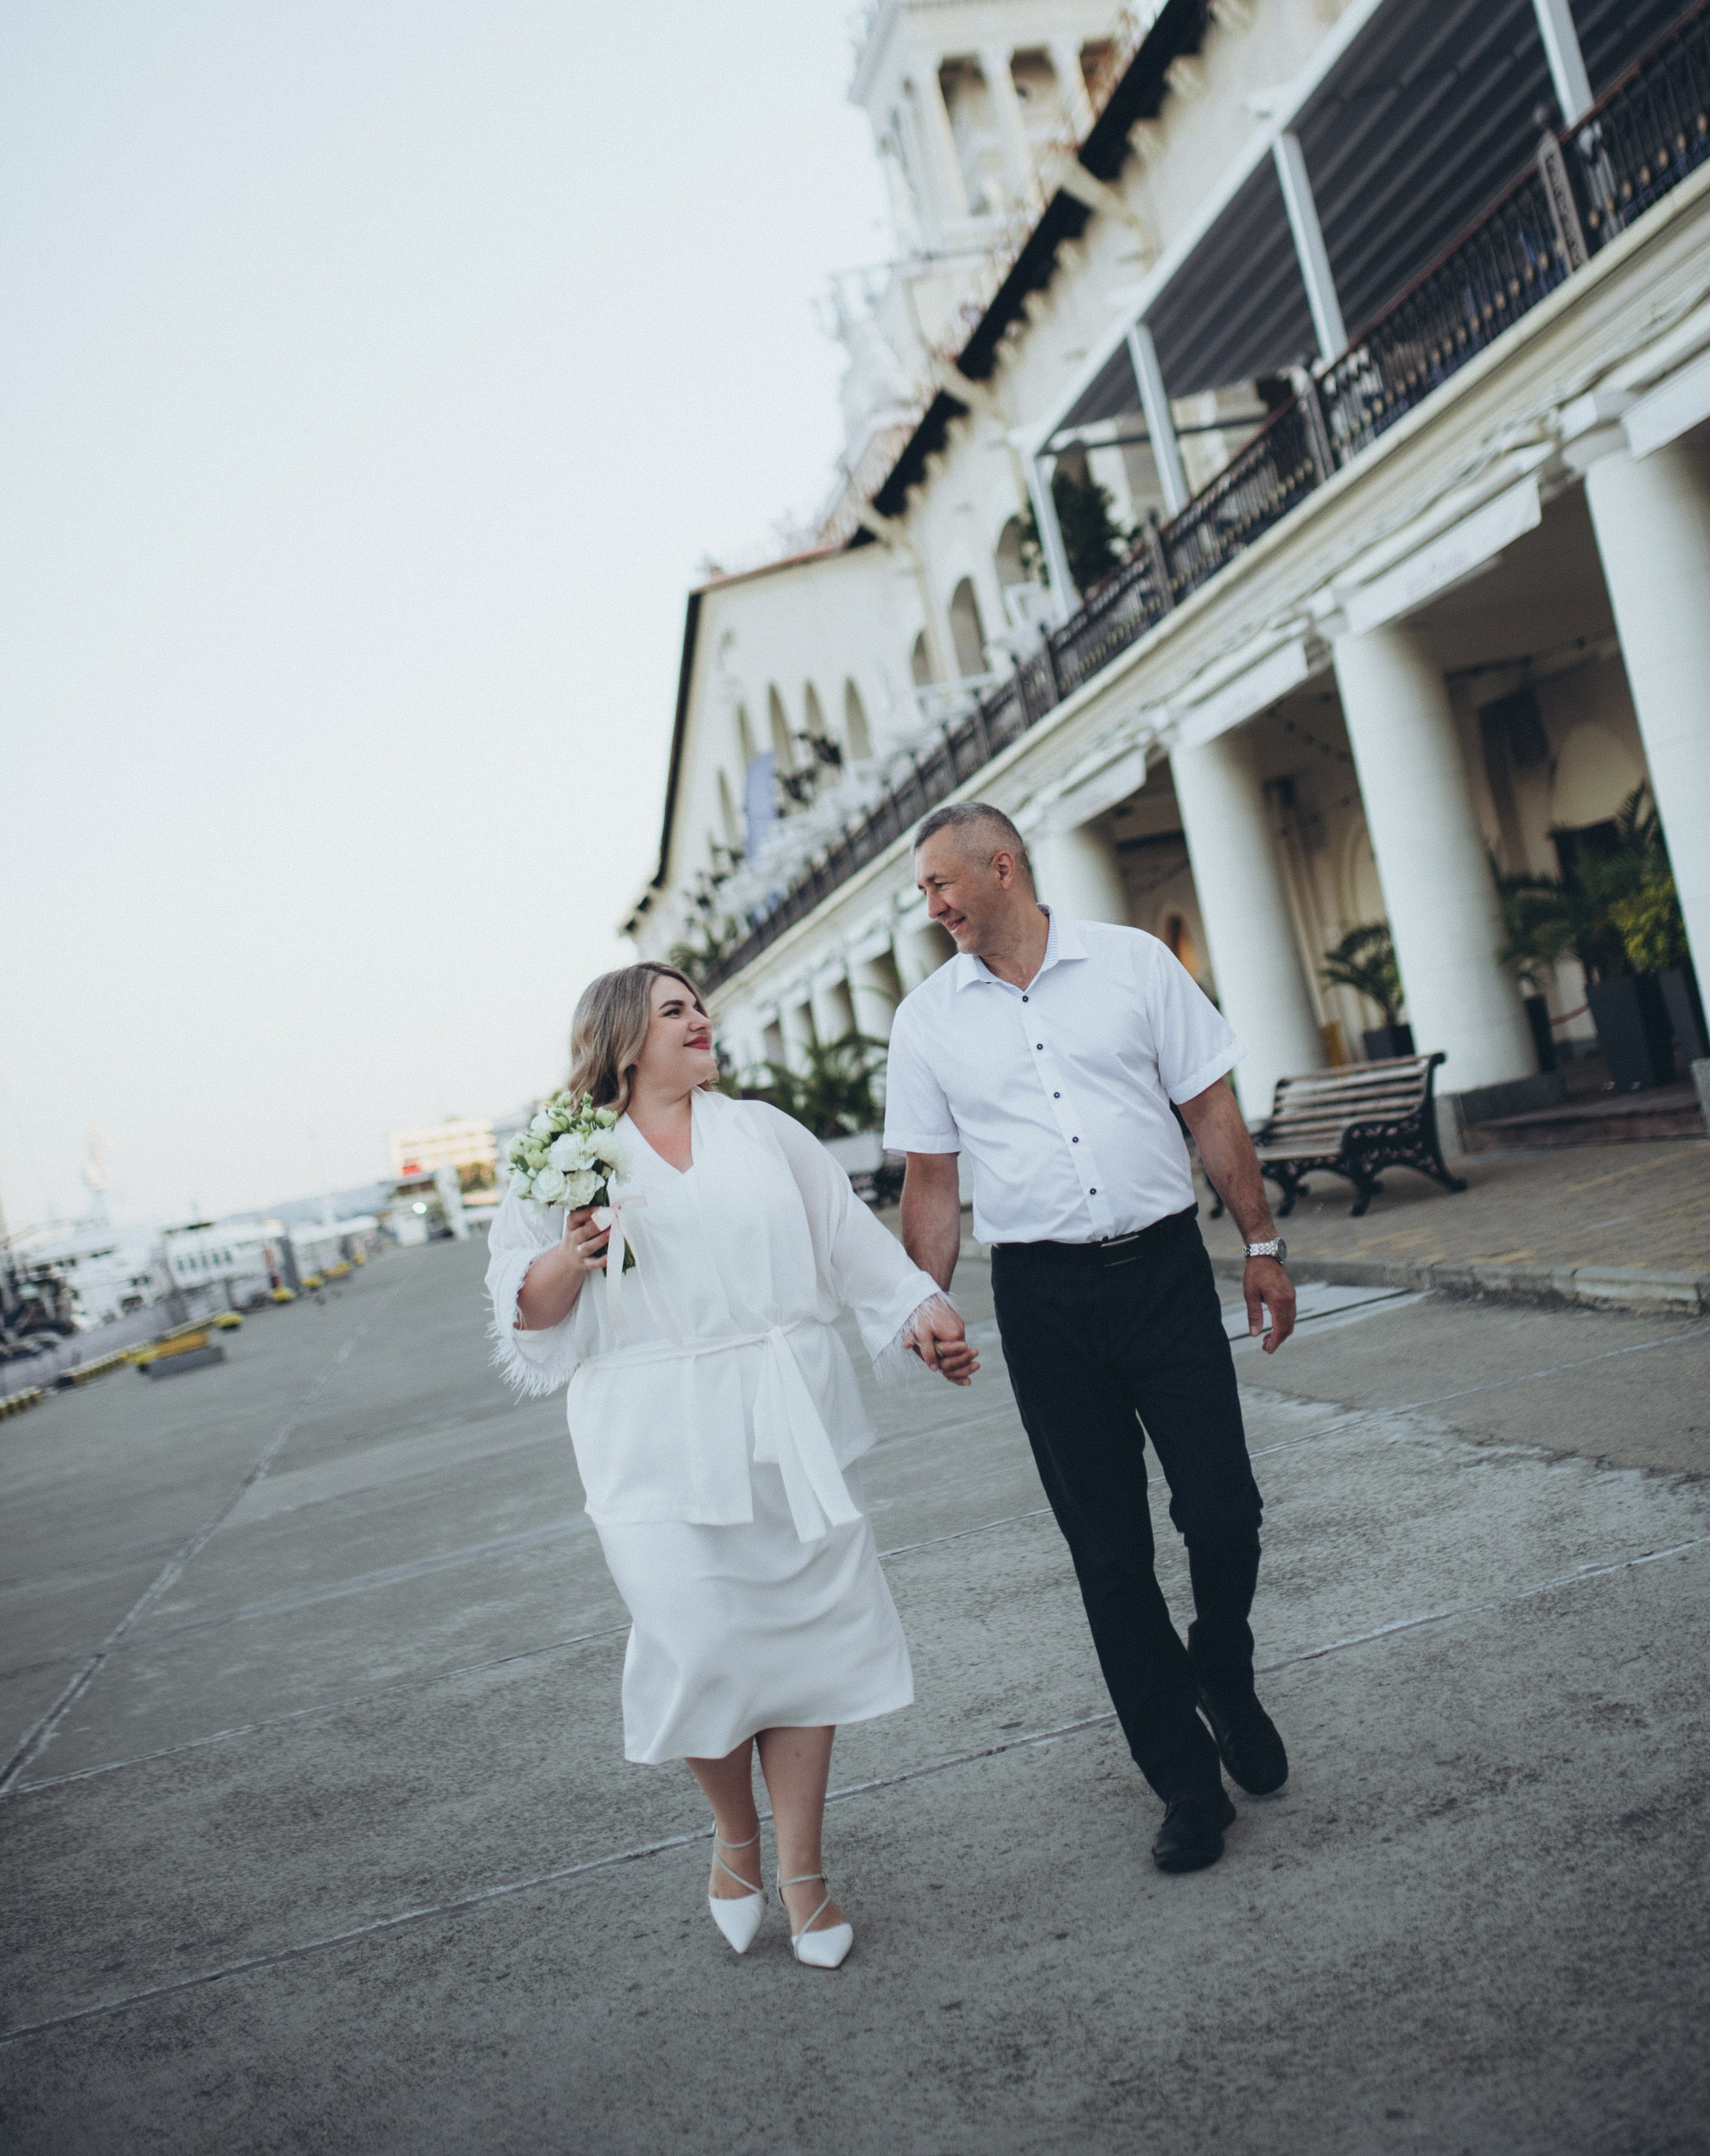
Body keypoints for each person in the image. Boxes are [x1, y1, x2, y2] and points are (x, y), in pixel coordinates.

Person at [487, 962, 977, 1968]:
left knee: (804, 1647)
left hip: (780, 1417)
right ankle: (735, 1833)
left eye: (700, 1006)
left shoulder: (763, 1133)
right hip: (648, 1435)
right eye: (676, 1011)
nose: (700, 1020)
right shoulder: (567, 1155)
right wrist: (572, 1251)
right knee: (698, 1642)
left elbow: (849, 1244)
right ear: (625, 1040)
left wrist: (921, 1312)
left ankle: (804, 1872)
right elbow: (523, 1307)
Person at [883, 802, 1296, 1875]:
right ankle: (1185, 1782)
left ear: (1002, 868)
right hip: (1044, 1301)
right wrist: (923, 1302)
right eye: (925, 894)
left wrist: (1261, 1241)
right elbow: (932, 1184)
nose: (930, 910)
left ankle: (1224, 1669)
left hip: (1162, 1271)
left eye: (940, 887)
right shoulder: (927, 1020)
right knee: (1108, 1555)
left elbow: (1211, 1109)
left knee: (1224, 1512)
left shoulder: (1135, 965)